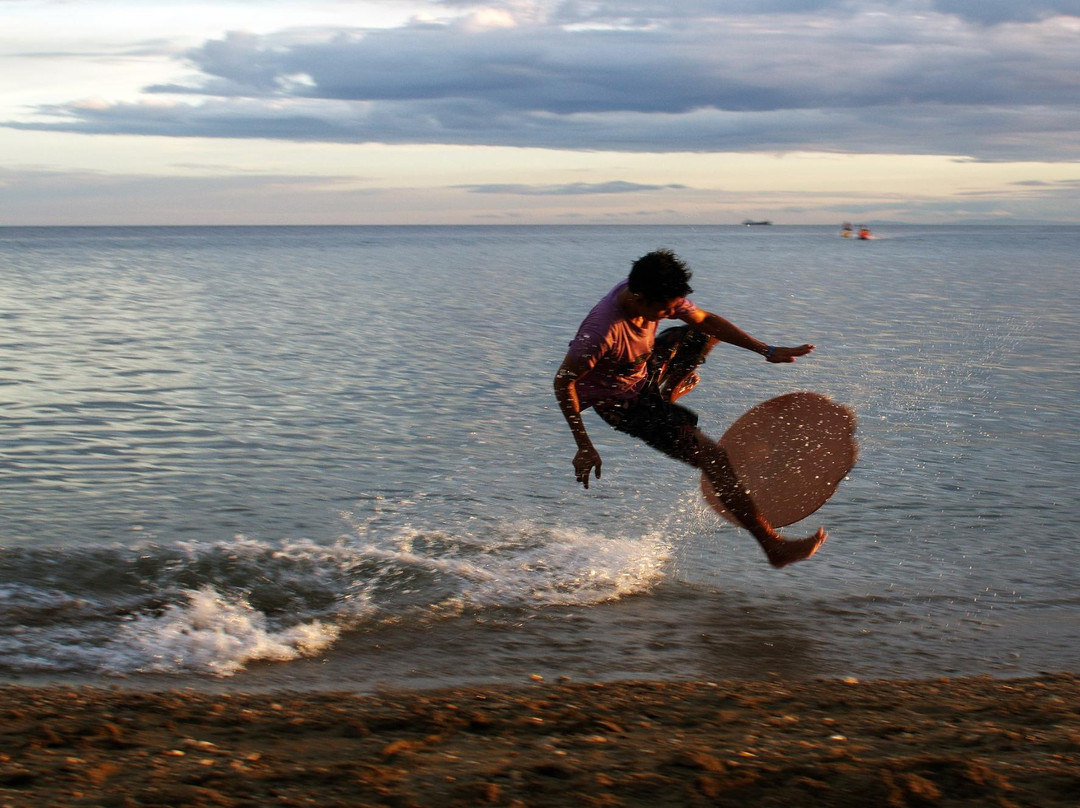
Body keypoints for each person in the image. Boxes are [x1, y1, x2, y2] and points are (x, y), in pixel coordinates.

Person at [553, 249, 825, 568]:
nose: (671, 314)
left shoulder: (655, 291)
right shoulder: (600, 333)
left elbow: (706, 319)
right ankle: (773, 548)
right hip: (622, 404)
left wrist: (767, 350)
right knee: (715, 458)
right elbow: (563, 382)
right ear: (639, 298)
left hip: (641, 372)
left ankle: (666, 398)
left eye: (674, 307)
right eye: (664, 310)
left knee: (703, 331)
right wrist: (584, 445)